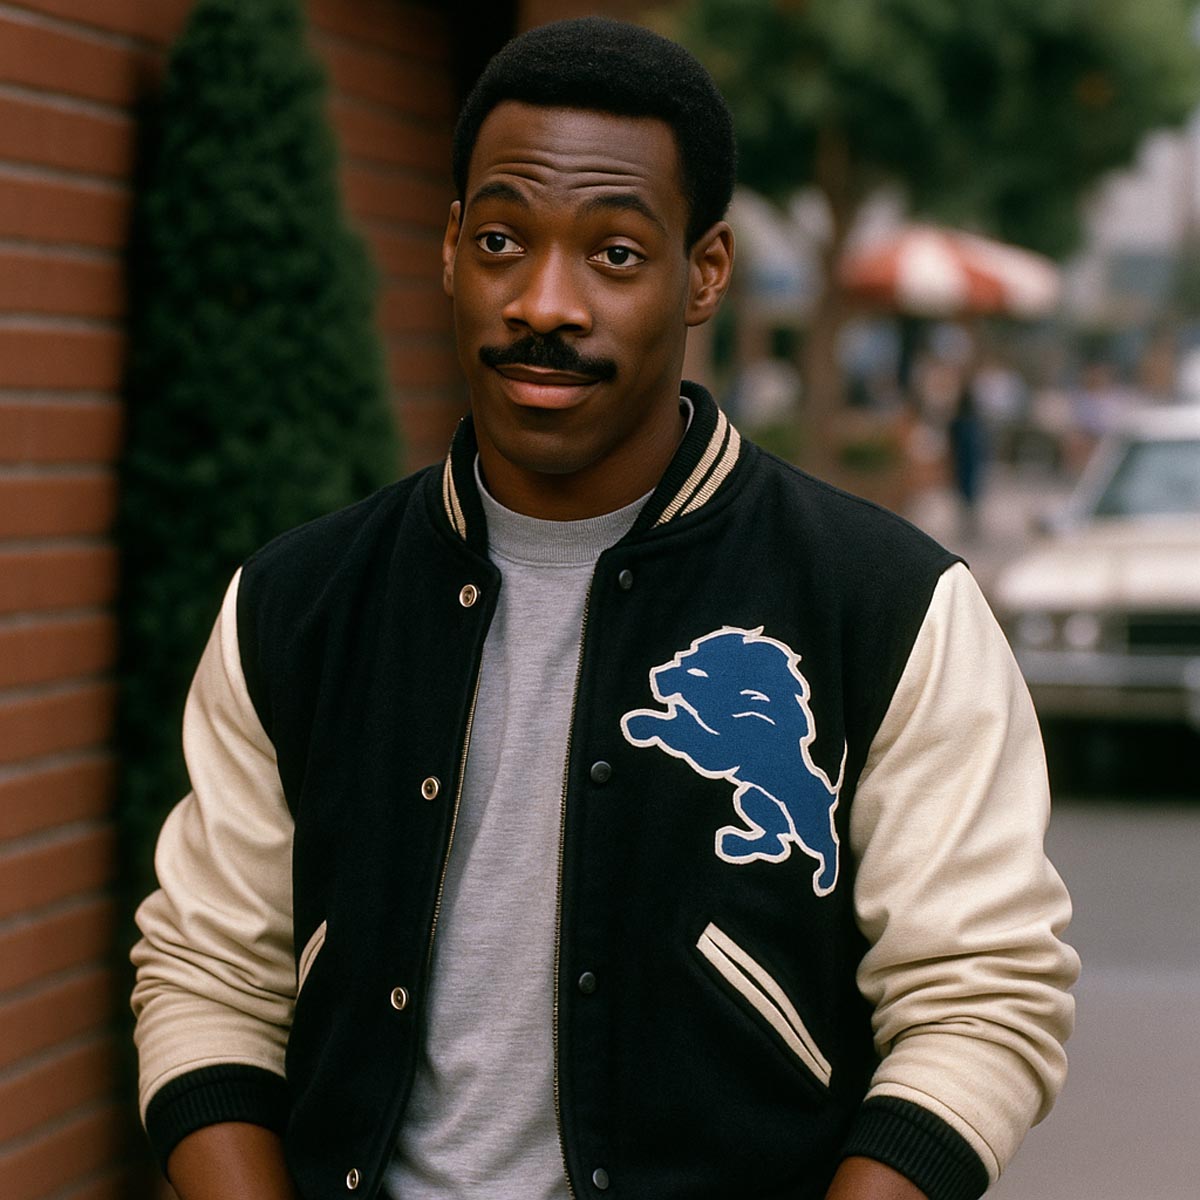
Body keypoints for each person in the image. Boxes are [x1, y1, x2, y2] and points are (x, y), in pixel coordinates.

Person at [131, 18, 1078, 1200]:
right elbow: (207, 978)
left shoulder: (886, 606)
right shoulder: (298, 602)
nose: (545, 303)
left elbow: (979, 1001)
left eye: (616, 255)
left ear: (706, 272)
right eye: (500, 240)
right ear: (447, 253)